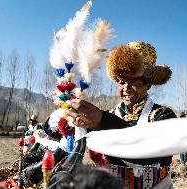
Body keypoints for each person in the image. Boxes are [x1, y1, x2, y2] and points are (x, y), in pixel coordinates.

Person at [68, 41, 177, 188]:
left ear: (148, 84)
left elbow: (151, 153)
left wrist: (102, 121)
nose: (126, 88)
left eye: (133, 81)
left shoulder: (163, 115)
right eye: (121, 81)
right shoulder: (109, 115)